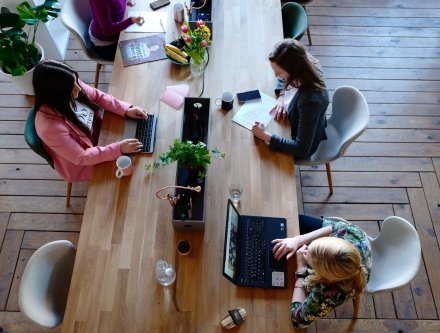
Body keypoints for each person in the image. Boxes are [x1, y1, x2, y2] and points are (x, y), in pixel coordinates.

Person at [33, 59, 147, 182]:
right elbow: (81, 157)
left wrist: (125, 109)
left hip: (100, 136)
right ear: (57, 95)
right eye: (73, 87)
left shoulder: (69, 83)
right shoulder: (49, 128)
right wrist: (118, 148)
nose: (79, 88)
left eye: (76, 81)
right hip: (84, 162)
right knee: (136, 174)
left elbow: (98, 96)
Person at [272, 215, 372, 328]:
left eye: (309, 257)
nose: (304, 249)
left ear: (322, 275)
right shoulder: (353, 233)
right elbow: (333, 226)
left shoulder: (328, 294)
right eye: (311, 247)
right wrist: (298, 240)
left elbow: (297, 320)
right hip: (350, 262)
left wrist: (301, 270)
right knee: (291, 220)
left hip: (339, 283)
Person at [251, 38, 329, 159]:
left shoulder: (310, 101)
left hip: (300, 142)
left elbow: (301, 149)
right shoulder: (303, 61)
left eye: (279, 72)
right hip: (296, 120)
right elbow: (283, 77)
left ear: (294, 70)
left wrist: (265, 135)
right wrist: (282, 96)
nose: (276, 76)